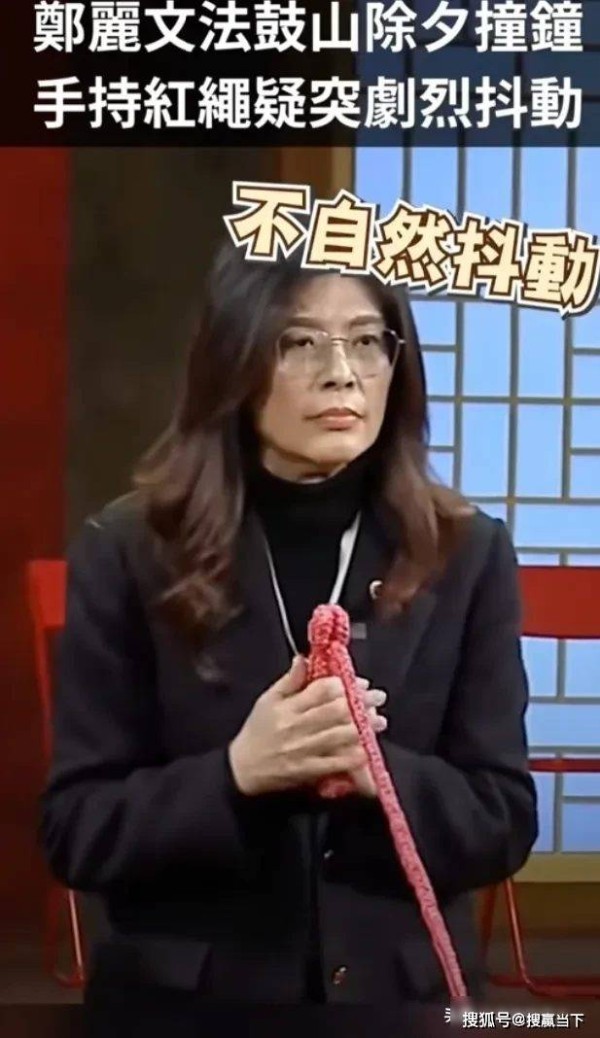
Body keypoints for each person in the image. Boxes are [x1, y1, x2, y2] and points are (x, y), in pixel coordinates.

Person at [40, 238, 538, 1011]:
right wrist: (238, 772)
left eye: (367, 341)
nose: (342, 373)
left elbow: (502, 822)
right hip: (189, 1004)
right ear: (233, 362)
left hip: (400, 1003)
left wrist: (379, 773)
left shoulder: (466, 553)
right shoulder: (129, 550)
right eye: (300, 343)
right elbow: (78, 831)